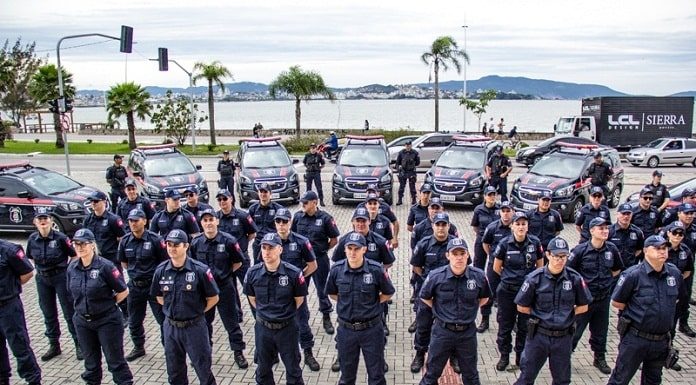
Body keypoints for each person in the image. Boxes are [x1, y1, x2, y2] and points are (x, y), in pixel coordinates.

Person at [513, 236, 592, 385]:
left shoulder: (574, 279)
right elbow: (521, 306)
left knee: (562, 380)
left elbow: (584, 305)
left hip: (563, 338)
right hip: (538, 336)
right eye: (556, 256)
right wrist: (541, 316)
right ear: (548, 255)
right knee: (526, 377)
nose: (560, 260)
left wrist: (567, 315)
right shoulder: (534, 279)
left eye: (564, 256)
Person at [607, 235, 685, 385]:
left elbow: (676, 299)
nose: (662, 252)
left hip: (661, 341)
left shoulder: (674, 273)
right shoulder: (633, 274)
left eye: (664, 248)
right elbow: (617, 302)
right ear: (645, 251)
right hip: (636, 339)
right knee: (620, 379)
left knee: (653, 381)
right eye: (657, 248)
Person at [151, 229, 220, 385]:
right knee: (175, 372)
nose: (172, 248)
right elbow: (158, 296)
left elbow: (213, 297)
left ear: (186, 246)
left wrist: (196, 312)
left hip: (194, 328)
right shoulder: (161, 270)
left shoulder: (199, 270)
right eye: (169, 244)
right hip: (171, 327)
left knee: (203, 369)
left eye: (176, 245)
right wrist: (173, 308)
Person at [418, 238, 491, 385]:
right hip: (442, 332)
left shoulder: (479, 276)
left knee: (471, 375)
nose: (459, 257)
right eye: (455, 253)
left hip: (467, 333)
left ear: (467, 255)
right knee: (432, 373)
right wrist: (440, 311)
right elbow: (425, 296)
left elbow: (484, 298)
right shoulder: (436, 276)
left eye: (462, 253)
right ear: (448, 255)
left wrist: (470, 310)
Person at [326, 232, 395, 385]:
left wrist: (374, 304)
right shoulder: (336, 270)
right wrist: (346, 301)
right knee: (347, 377)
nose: (352, 252)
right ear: (344, 250)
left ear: (364, 249)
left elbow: (388, 292)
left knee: (376, 376)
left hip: (372, 330)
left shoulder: (376, 269)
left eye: (356, 249)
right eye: (349, 248)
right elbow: (331, 292)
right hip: (346, 331)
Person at [67, 228, 133, 385]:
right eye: (77, 244)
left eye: (84, 244)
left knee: (115, 362)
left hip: (107, 321)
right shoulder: (72, 267)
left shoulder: (105, 266)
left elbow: (123, 290)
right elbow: (71, 292)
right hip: (83, 322)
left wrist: (107, 305)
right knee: (91, 365)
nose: (80, 247)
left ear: (92, 245)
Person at [243, 232, 307, 385]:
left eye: (271, 248)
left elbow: (299, 299)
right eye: (264, 248)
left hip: (287, 329)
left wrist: (282, 314)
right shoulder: (253, 273)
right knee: (263, 370)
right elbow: (252, 298)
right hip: (263, 329)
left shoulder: (293, 273)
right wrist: (266, 314)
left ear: (280, 249)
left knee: (293, 370)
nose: (266, 252)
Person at [189, 209, 248, 368]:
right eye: (205, 220)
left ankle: (238, 352)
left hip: (224, 288)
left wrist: (225, 274)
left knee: (232, 322)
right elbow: (192, 265)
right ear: (201, 223)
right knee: (204, 324)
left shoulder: (228, 241)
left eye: (211, 219)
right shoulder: (196, 243)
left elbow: (238, 262)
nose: (208, 223)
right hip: (205, 292)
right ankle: (204, 353)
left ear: (217, 221)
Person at [567, 217, 623, 374]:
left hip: (603, 299)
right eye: (601, 228)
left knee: (601, 331)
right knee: (575, 331)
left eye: (606, 228)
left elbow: (616, 270)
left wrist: (606, 283)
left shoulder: (611, 250)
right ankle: (564, 358)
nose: (605, 231)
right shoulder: (580, 251)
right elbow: (570, 274)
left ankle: (599, 358)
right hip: (584, 301)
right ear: (592, 231)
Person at [491, 212, 545, 371]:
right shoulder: (504, 243)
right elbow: (496, 267)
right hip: (507, 291)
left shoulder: (535, 243)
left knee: (524, 326)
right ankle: (504, 356)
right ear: (512, 226)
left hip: (527, 293)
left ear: (527, 226)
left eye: (524, 224)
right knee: (505, 325)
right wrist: (510, 278)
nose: (521, 227)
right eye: (518, 224)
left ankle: (520, 356)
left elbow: (540, 267)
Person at [26, 207, 80, 361]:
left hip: (60, 277)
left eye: (46, 219)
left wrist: (68, 271)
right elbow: (30, 256)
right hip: (43, 279)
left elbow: (74, 255)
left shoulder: (60, 238)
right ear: (35, 222)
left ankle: (78, 344)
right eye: (40, 219)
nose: (43, 221)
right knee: (48, 313)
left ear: (50, 221)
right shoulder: (32, 239)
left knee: (69, 311)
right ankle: (54, 345)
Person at [332, 207, 395, 339]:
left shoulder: (380, 241)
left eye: (363, 221)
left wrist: (378, 273)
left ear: (369, 222)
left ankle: (382, 324)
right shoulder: (345, 241)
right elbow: (337, 262)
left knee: (379, 308)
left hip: (372, 284)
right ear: (353, 222)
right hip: (350, 284)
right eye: (358, 221)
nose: (360, 224)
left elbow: (389, 261)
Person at [409, 212, 458, 374]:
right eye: (438, 224)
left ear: (448, 226)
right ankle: (419, 354)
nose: (441, 228)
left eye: (444, 225)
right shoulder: (424, 244)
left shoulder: (456, 245)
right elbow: (416, 266)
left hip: (450, 294)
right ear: (433, 226)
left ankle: (454, 356)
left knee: (453, 327)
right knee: (423, 325)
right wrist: (426, 278)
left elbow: (464, 264)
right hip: (428, 292)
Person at [273, 208, 320, 371]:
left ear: (290, 222)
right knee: (274, 325)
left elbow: (313, 265)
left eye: (284, 221)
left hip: (296, 295)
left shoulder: (301, 241)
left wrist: (300, 281)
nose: (281, 225)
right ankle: (273, 355)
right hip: (276, 295)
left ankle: (308, 353)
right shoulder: (268, 244)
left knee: (302, 323)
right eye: (278, 221)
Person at [117, 208, 168, 362]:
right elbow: (124, 263)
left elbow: (164, 262)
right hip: (135, 286)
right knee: (134, 320)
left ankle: (169, 348)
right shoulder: (125, 241)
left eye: (136, 220)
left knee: (163, 319)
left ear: (144, 221)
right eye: (130, 221)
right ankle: (139, 347)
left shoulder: (155, 240)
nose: (133, 223)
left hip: (153, 286)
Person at [291, 190, 340, 335]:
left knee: (322, 290)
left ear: (315, 202)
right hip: (301, 261)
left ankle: (326, 316)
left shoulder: (325, 218)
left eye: (306, 203)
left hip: (319, 260)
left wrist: (323, 249)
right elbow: (293, 234)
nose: (303, 205)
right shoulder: (298, 217)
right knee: (300, 290)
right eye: (302, 203)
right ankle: (302, 319)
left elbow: (334, 239)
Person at [0, 239, 42, 385]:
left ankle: (33, 379)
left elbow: (27, 273)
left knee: (20, 346)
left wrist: (10, 287)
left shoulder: (9, 250)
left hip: (8, 306)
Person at [82, 190, 128, 324]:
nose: (93, 204)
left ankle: (126, 313)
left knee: (118, 285)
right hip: (95, 259)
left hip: (111, 258)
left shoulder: (113, 219)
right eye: (92, 202)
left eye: (96, 201)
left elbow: (122, 238)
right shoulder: (88, 220)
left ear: (104, 202)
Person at [478, 201, 515, 332]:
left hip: (511, 268)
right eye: (503, 211)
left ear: (513, 212)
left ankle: (511, 321)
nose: (505, 214)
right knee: (488, 292)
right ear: (500, 212)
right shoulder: (492, 227)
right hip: (494, 267)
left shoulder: (516, 227)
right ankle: (485, 320)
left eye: (508, 211)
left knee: (511, 296)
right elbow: (485, 244)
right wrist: (494, 258)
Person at [664, 222, 695, 340]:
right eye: (674, 233)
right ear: (668, 233)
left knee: (674, 319)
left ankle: (669, 345)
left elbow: (688, 270)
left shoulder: (685, 251)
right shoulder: (661, 249)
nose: (677, 236)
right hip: (661, 289)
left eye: (680, 234)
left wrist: (679, 280)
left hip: (676, 290)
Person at [248, 183, 284, 263]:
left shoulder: (278, 209)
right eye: (261, 192)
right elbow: (249, 227)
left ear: (270, 194)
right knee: (258, 266)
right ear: (258, 193)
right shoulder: (252, 209)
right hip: (259, 244)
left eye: (265, 192)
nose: (263, 194)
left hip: (273, 244)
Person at [471, 186, 500, 270]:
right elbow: (475, 226)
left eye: (493, 195)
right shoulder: (478, 209)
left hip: (495, 241)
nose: (492, 197)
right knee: (478, 264)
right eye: (489, 195)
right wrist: (481, 235)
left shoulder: (500, 209)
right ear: (484, 196)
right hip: (481, 240)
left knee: (494, 264)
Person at [609, 203, 645, 268]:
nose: (626, 216)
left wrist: (631, 258)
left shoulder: (637, 232)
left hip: (630, 268)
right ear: (617, 214)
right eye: (623, 213)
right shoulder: (609, 231)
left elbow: (640, 249)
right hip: (613, 269)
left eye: (628, 214)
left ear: (631, 215)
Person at [395, 140, 420, 205]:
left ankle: (414, 200)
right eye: (406, 145)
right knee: (401, 187)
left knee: (412, 187)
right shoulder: (401, 153)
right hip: (403, 171)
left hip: (411, 172)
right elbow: (397, 163)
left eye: (409, 145)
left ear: (411, 145)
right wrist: (398, 170)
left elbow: (418, 163)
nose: (408, 147)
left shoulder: (415, 153)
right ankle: (400, 200)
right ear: (405, 145)